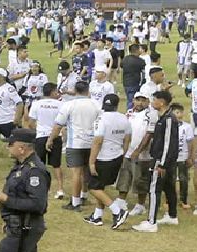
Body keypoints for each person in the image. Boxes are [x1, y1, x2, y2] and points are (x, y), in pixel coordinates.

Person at [133, 91, 182, 233]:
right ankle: (172, 215)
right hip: (167, 160)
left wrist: (162, 163)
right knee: (169, 187)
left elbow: (168, 143)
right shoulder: (165, 118)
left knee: (154, 190)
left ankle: (151, 222)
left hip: (161, 160)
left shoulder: (167, 119)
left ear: (161, 102)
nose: (152, 102)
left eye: (154, 100)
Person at [51, 80, 100, 211]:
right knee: (87, 171)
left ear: (75, 91)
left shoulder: (69, 105)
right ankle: (84, 195)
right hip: (92, 143)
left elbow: (58, 125)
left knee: (76, 173)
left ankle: (75, 202)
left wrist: (50, 139)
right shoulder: (96, 104)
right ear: (88, 90)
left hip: (75, 143)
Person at [86, 94, 130, 228]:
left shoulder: (101, 119)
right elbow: (127, 139)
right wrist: (122, 154)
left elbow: (97, 141)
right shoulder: (124, 118)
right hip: (117, 155)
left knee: (93, 187)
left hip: (103, 158)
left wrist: (92, 162)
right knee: (101, 187)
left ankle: (117, 211)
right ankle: (97, 215)